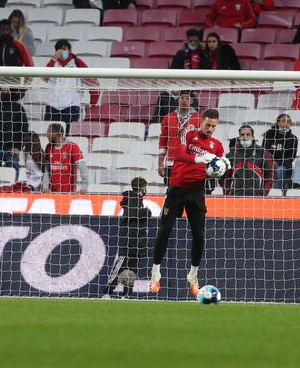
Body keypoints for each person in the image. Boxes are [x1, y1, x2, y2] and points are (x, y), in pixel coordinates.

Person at [149, 108, 228, 296]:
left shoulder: (217, 146)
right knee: (164, 230)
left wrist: (225, 167)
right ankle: (155, 274)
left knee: (199, 235)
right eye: (208, 125)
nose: (210, 129)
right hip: (176, 189)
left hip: (196, 192)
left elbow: (218, 171)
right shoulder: (189, 134)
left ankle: (193, 276)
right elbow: (178, 155)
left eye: (213, 126)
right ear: (201, 121)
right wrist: (199, 158)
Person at [104, 177, 151, 298]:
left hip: (136, 241)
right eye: (145, 187)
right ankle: (107, 292)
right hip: (128, 240)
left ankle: (127, 294)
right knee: (120, 266)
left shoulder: (138, 200)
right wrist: (147, 212)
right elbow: (132, 214)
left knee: (132, 269)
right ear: (142, 188)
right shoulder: (132, 198)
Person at [44, 39, 91, 125]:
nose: (62, 52)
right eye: (59, 50)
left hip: (71, 105)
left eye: (64, 49)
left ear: (70, 50)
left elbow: (92, 81)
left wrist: (92, 103)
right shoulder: (53, 63)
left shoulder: (77, 62)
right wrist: (54, 59)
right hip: (53, 105)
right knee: (49, 133)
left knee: (68, 134)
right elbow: (44, 77)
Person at [225, 124, 275, 195]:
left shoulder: (262, 152)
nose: (245, 137)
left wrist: (263, 192)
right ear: (239, 137)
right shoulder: (232, 153)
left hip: (256, 197)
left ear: (253, 137)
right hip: (235, 196)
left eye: (248, 134)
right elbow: (226, 176)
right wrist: (228, 192)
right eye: (242, 135)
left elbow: (270, 174)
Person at [45, 122, 88, 193]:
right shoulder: (48, 147)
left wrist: (84, 188)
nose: (47, 135)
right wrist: (45, 186)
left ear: (55, 133)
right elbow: (46, 170)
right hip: (52, 193)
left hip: (69, 193)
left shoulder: (72, 146)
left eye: (49, 132)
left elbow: (83, 168)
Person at [262, 113, 298, 192]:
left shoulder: (293, 139)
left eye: (288, 122)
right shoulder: (269, 135)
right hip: (268, 164)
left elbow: (291, 158)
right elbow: (264, 152)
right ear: (278, 123)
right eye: (283, 121)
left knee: (279, 170)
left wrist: (277, 163)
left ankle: (276, 193)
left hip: (284, 166)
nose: (285, 124)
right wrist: (271, 162)